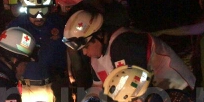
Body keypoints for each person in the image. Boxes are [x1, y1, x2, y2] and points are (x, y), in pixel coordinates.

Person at [63, 9, 195, 96]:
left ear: (98, 36)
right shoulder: (97, 55)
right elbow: (98, 88)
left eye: (85, 47)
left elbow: (135, 90)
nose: (85, 53)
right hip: (157, 99)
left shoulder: (125, 44)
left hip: (179, 92)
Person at [8, 0, 68, 102]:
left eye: (44, 11)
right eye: (34, 11)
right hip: (29, 88)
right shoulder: (16, 27)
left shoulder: (58, 23)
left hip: (56, 85)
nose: (39, 16)